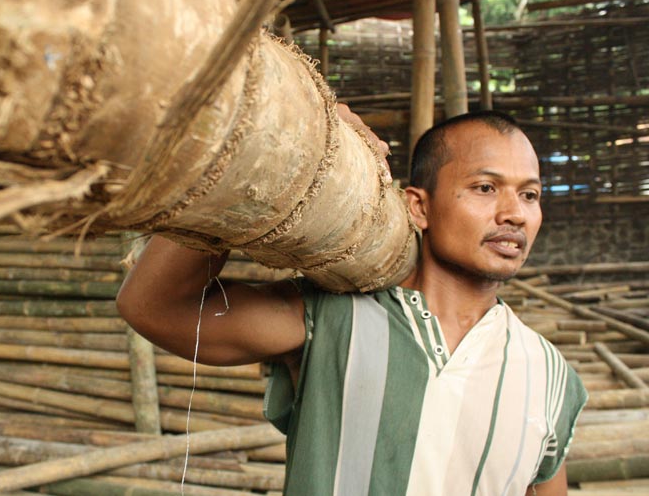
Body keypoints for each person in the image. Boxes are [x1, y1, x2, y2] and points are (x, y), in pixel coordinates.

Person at [117, 108, 587, 496]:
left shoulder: (550, 375)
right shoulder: (334, 315)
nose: (514, 214)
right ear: (419, 207)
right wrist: (241, 163)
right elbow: (153, 308)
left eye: (530, 194)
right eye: (486, 188)